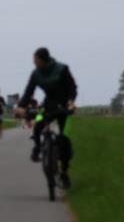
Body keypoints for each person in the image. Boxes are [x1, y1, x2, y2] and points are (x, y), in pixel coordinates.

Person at [15, 47, 78, 187]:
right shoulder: (36, 74)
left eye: (35, 61)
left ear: (42, 60)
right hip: (48, 105)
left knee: (63, 139)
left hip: (64, 106)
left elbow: (73, 87)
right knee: (37, 126)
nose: (34, 63)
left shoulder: (62, 69)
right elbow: (28, 91)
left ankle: (64, 172)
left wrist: (71, 101)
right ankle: (37, 147)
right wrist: (22, 106)